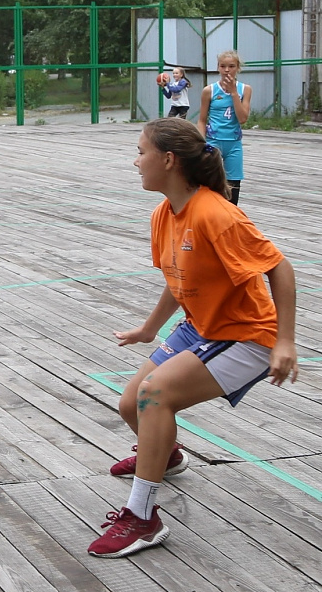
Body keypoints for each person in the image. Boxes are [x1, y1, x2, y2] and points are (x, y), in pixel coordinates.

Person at [88, 117, 298, 559]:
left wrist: (285, 341)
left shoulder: (216, 214)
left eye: (141, 151)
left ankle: (143, 516)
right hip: (199, 326)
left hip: (245, 334)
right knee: (131, 403)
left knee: (154, 395)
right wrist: (150, 328)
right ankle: (166, 457)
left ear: (167, 159)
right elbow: (177, 277)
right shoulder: (164, 214)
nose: (135, 161)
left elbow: (279, 266)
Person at [197, 50, 252, 205]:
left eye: (231, 66)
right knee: (210, 182)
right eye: (223, 66)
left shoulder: (245, 90)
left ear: (238, 68)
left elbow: (242, 118)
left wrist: (234, 93)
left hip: (233, 143)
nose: (227, 70)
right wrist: (201, 143)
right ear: (218, 68)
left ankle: (230, 217)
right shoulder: (210, 90)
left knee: (233, 186)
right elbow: (201, 120)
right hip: (213, 142)